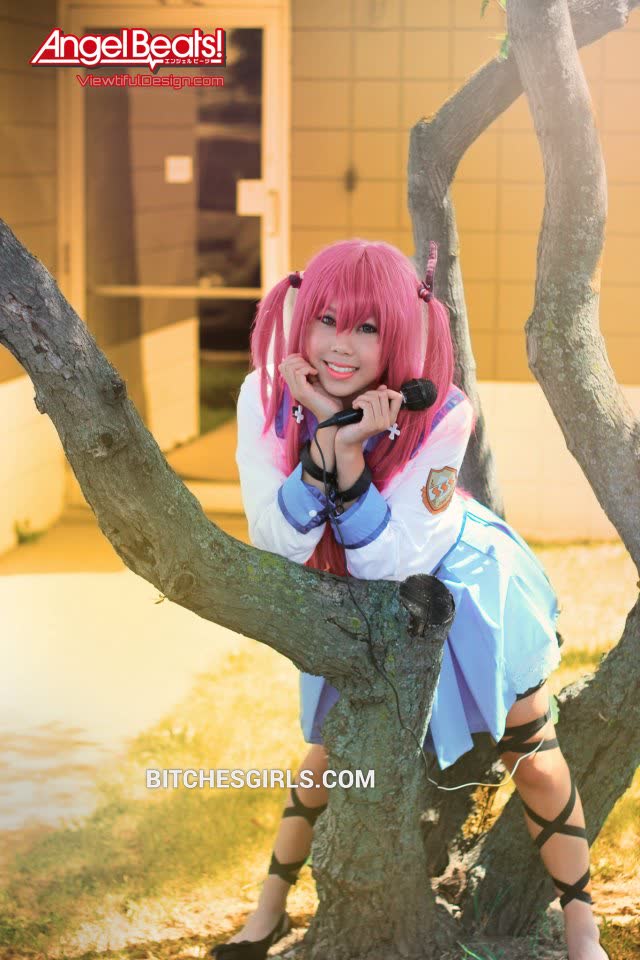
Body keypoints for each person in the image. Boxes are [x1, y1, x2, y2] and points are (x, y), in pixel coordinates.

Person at [211, 240, 608, 960]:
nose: (341, 345)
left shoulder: (442, 411)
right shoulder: (264, 398)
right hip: (348, 593)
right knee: (329, 752)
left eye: (367, 327)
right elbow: (280, 544)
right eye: (327, 319)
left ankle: (583, 927)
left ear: (397, 329)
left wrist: (350, 455)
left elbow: (396, 561)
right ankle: (267, 910)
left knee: (530, 749)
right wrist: (329, 433)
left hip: (455, 584)